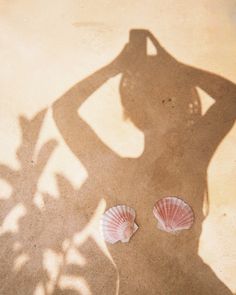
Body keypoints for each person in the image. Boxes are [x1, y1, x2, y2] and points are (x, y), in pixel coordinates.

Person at [53, 30, 236, 294]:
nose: (166, 103)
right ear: (139, 105)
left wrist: (177, 68)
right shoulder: (117, 172)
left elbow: (231, 97)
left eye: (171, 96)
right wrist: (117, 66)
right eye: (158, 95)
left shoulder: (192, 157)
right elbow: (63, 111)